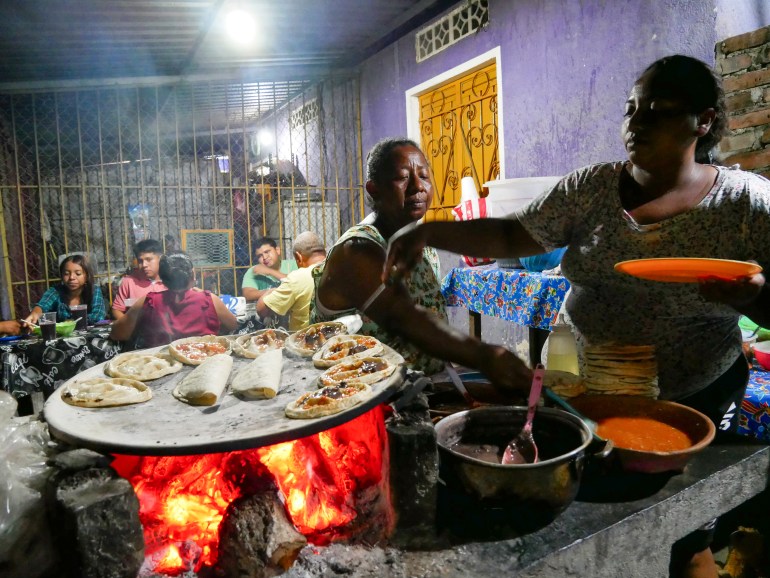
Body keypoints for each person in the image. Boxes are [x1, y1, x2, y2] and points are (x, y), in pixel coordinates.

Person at [386, 55, 770, 578]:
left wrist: (753, 301)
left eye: (657, 110)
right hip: (588, 385)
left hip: (693, 392)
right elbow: (509, 235)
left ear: (702, 122)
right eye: (630, 109)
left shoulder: (744, 203)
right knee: (584, 512)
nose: (635, 123)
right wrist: (427, 230)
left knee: (681, 524)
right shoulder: (591, 189)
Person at [311, 137, 532, 393]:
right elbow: (405, 319)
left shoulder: (421, 247)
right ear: (374, 189)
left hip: (421, 389)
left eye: (424, 176)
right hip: (363, 399)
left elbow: (431, 324)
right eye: (402, 178)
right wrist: (486, 357)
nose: (418, 187)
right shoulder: (357, 251)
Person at [110, 252, 238, 347]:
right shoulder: (209, 300)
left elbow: (118, 333)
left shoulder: (148, 301)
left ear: (163, 279)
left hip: (162, 366)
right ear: (193, 274)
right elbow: (233, 325)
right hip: (203, 360)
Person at [256, 231, 325, 331]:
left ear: (298, 257)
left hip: (307, 341)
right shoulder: (343, 269)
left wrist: (271, 291)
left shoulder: (298, 277)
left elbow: (261, 309)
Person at [23, 254, 106, 326]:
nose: (71, 278)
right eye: (66, 274)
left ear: (86, 276)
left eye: (78, 273)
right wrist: (35, 313)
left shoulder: (94, 290)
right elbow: (43, 305)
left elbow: (98, 316)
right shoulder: (56, 291)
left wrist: (71, 322)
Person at [111, 239, 167, 320]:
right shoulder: (129, 282)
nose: (144, 265)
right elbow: (117, 310)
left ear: (160, 259)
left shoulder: (169, 281)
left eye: (148, 259)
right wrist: (128, 325)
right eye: (140, 261)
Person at [241, 237, 298, 302]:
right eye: (260, 256)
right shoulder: (254, 271)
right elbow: (247, 294)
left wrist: (270, 271)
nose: (264, 257)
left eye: (267, 252)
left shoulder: (293, 265)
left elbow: (299, 284)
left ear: (277, 250)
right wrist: (271, 292)